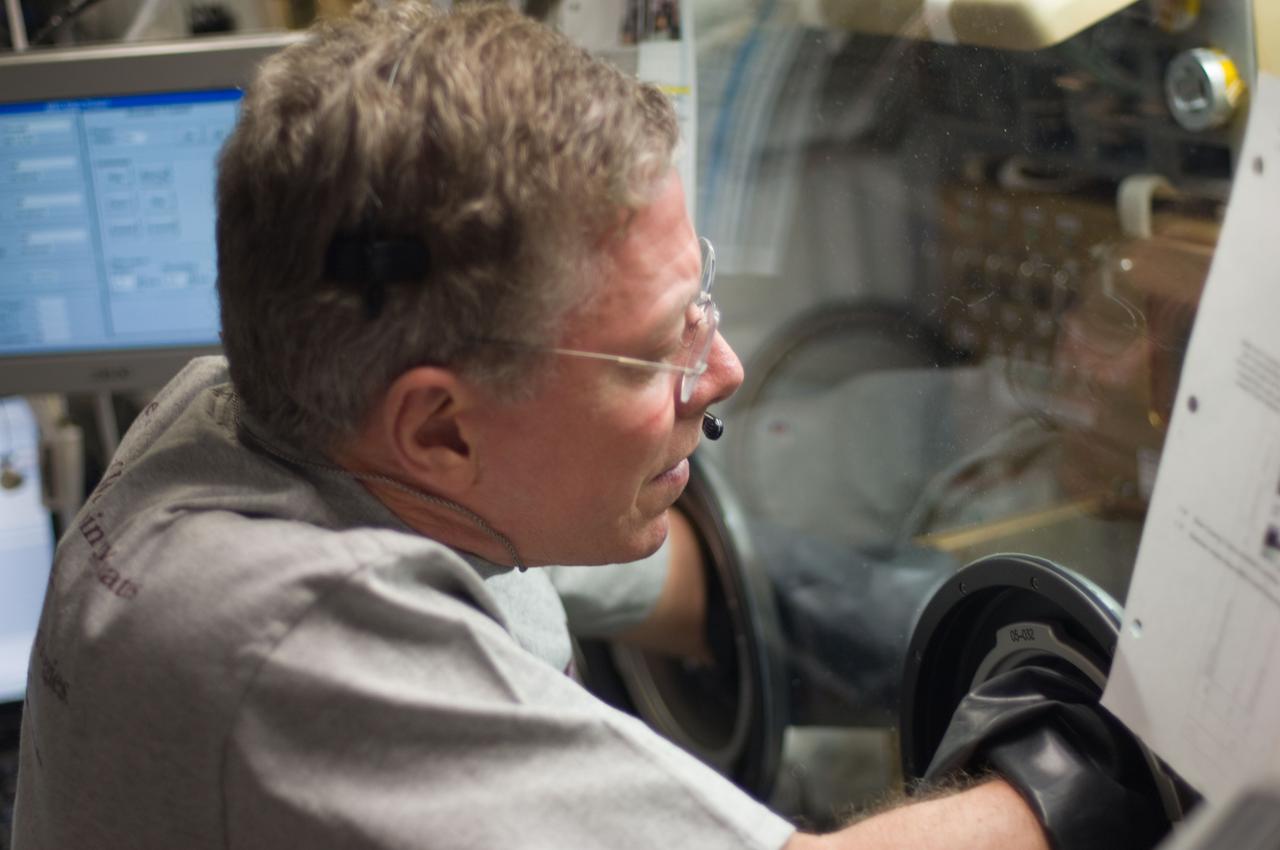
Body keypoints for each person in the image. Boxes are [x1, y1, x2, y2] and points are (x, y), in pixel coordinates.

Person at [12, 3, 1087, 849]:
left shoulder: (256, 415)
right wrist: (1091, 755)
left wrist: (914, 629)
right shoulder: (293, 637)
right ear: (439, 429)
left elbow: (681, 591)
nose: (721, 368)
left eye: (700, 303)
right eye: (657, 345)